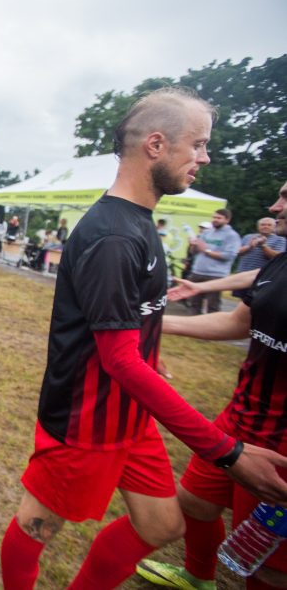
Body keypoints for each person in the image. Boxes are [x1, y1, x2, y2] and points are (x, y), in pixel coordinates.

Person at [0, 86, 287, 590]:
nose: (205, 156)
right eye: (197, 144)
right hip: (87, 421)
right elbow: (119, 360)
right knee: (37, 525)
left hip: (133, 416)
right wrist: (229, 452)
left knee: (164, 525)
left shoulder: (139, 222)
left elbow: (132, 335)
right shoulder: (112, 235)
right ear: (156, 144)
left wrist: (151, 356)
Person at [136, 180, 287, 590]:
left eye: (286, 197)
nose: (275, 207)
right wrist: (153, 324)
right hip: (239, 418)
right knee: (194, 503)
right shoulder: (280, 264)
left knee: (269, 561)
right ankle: (198, 576)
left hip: (281, 443)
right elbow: (238, 322)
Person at [187, 208, 241, 314]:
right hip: (197, 271)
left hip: (215, 274)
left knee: (212, 305)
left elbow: (229, 255)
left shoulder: (232, 235)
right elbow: (195, 252)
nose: (215, 220)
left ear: (227, 220)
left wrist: (207, 251)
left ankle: (210, 329)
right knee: (194, 303)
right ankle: (194, 327)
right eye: (214, 217)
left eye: (219, 218)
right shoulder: (206, 233)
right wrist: (192, 245)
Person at [232, 216, 285, 298]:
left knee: (256, 300)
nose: (265, 226)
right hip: (243, 274)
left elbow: (277, 257)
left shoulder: (280, 239)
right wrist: (249, 246)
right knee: (241, 299)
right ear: (258, 226)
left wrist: (263, 246)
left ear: (274, 226)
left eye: (269, 225)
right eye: (263, 224)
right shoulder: (248, 237)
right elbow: (237, 252)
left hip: (262, 277)